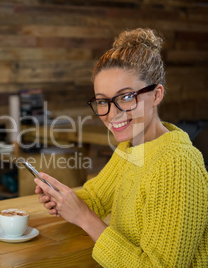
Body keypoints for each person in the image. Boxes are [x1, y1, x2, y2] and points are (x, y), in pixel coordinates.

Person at [35, 28, 207, 267]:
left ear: (157, 95)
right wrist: (62, 197)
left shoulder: (177, 163)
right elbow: (96, 197)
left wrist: (84, 218)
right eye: (103, 101)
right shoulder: (133, 148)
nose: (112, 113)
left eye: (126, 97)